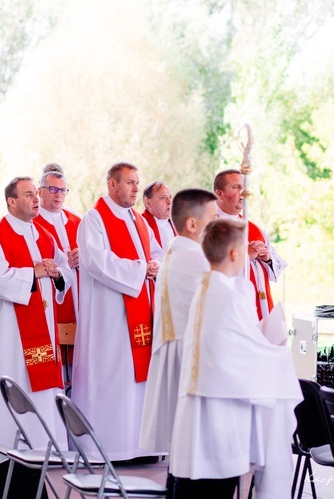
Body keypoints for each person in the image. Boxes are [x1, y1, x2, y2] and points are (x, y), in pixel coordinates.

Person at [169, 219, 300, 499]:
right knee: (210, 490)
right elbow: (244, 356)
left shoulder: (206, 289)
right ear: (233, 254)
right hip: (217, 420)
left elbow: (231, 346)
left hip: (201, 409)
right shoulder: (226, 295)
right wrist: (279, 355)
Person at [72, 162, 157, 462]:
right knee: (111, 376)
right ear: (112, 184)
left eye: (137, 182)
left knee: (138, 378)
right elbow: (95, 261)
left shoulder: (138, 220)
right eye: (130, 182)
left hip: (139, 312)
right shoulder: (93, 220)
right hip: (109, 316)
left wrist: (154, 267)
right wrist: (139, 270)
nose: (136, 188)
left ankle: (140, 446)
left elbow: (154, 254)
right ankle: (108, 446)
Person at [0, 176, 71, 449]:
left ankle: (46, 445)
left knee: (43, 386)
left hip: (44, 325)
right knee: (15, 378)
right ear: (11, 201)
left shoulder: (45, 236)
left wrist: (58, 274)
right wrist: (35, 272)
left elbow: (64, 271)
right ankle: (10, 445)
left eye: (35, 195)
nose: (35, 200)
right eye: (28, 194)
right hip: (11, 334)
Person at [139, 188, 218, 464]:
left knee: (184, 453)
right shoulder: (193, 257)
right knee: (193, 455)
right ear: (193, 224)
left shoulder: (177, 248)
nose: (217, 224)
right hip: (189, 359)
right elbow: (220, 306)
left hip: (181, 351)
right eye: (213, 217)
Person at [213, 169, 287, 320]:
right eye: (236, 187)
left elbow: (276, 271)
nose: (243, 192)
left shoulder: (255, 229)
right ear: (219, 194)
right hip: (230, 309)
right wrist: (245, 255)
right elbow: (211, 270)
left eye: (244, 186)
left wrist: (267, 258)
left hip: (261, 303)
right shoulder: (211, 228)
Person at [33, 170, 81, 383]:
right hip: (48, 299)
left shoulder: (78, 221)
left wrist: (84, 257)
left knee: (78, 366)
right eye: (52, 189)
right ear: (40, 191)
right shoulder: (32, 224)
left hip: (79, 296)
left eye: (62, 190)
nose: (58, 194)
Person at [142, 181, 176, 253]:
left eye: (170, 197)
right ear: (148, 202)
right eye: (163, 198)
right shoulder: (140, 226)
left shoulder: (177, 225)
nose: (169, 201)